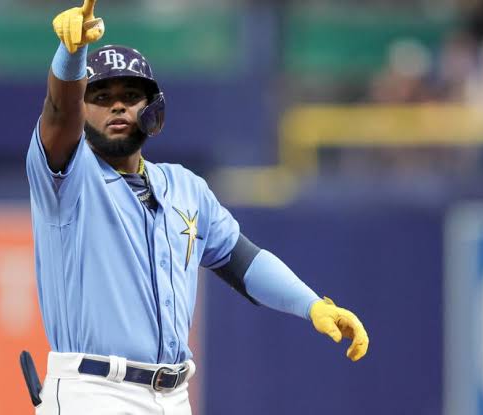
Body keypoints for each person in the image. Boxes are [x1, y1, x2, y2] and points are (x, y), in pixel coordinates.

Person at [25, 1, 369, 413]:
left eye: (131, 96)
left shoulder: (185, 187)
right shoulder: (66, 178)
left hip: (173, 395)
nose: (117, 106)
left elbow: (243, 261)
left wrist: (310, 304)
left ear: (153, 110)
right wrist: (71, 57)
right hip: (95, 392)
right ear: (83, 109)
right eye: (100, 97)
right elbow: (59, 113)